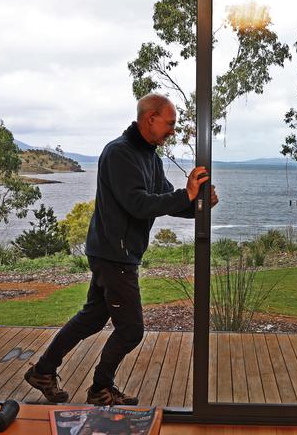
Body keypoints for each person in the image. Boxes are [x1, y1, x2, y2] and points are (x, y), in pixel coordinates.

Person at [24, 93, 218, 405]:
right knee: (131, 330)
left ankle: (43, 371)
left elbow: (165, 198)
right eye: (169, 124)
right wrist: (186, 196)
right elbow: (138, 204)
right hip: (114, 254)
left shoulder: (149, 157)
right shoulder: (119, 153)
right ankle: (100, 388)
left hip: (114, 251)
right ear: (150, 118)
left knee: (92, 318)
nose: (172, 131)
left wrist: (197, 204)